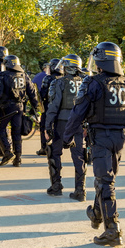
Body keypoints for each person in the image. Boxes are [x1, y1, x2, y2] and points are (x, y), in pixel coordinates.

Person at [64, 42, 125, 246]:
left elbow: (77, 113)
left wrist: (66, 137)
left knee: (105, 181)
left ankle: (112, 229)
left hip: (100, 137)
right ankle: (97, 214)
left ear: (100, 62)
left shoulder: (93, 83)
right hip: (119, 138)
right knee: (106, 179)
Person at [45, 54, 86, 200]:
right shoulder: (85, 82)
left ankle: (56, 186)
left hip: (62, 122)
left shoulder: (59, 82)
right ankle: (80, 190)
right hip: (80, 123)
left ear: (68, 67)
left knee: (55, 152)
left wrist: (48, 125)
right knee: (79, 156)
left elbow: (54, 105)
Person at [0, 55, 38, 167]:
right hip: (19, 107)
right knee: (16, 132)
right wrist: (35, 108)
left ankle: (7, 152)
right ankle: (18, 158)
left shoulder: (2, 75)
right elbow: (32, 93)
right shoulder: (24, 75)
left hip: (6, 108)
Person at [37, 58, 63, 156]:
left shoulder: (48, 79)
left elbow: (43, 94)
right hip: (61, 107)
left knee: (44, 126)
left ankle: (44, 147)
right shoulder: (64, 78)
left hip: (49, 106)